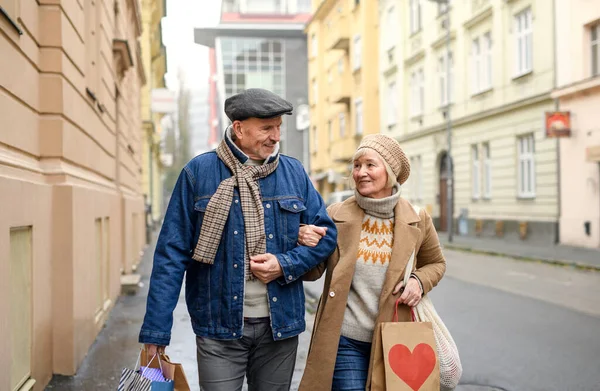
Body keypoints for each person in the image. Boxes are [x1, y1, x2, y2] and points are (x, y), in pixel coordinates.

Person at [139, 88, 338, 391]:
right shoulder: (199, 173)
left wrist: (284, 264)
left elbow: (327, 237)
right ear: (239, 128)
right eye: (266, 127)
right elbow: (171, 254)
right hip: (218, 327)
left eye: (278, 127)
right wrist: (156, 331)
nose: (275, 136)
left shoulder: (293, 173)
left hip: (279, 327)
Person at [297, 134, 446, 391]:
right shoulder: (335, 215)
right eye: (357, 166)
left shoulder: (418, 218)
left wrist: (418, 282)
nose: (361, 172)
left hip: (396, 338)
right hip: (345, 338)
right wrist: (305, 243)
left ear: (390, 173)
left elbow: (435, 263)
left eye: (370, 165)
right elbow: (313, 272)